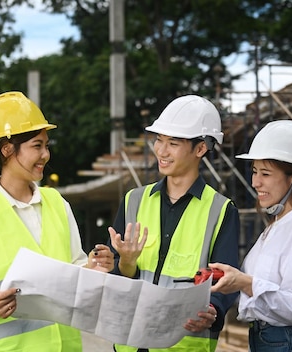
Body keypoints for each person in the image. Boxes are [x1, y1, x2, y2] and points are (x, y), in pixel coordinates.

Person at [0, 91, 115, 351]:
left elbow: (74, 270)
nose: (45, 154)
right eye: (37, 145)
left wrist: (94, 268)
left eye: (46, 145)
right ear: (7, 149)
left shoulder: (57, 203)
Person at [107, 95, 241, 352]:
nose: (161, 151)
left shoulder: (221, 211)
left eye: (173, 143)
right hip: (129, 344)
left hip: (182, 346)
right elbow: (114, 276)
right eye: (159, 140)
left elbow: (224, 281)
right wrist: (124, 263)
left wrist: (214, 308)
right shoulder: (133, 201)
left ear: (200, 149)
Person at [209, 120, 292, 352]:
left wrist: (245, 282)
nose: (255, 182)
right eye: (255, 172)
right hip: (267, 339)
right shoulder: (277, 226)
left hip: (290, 341)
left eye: (266, 173)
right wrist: (230, 280)